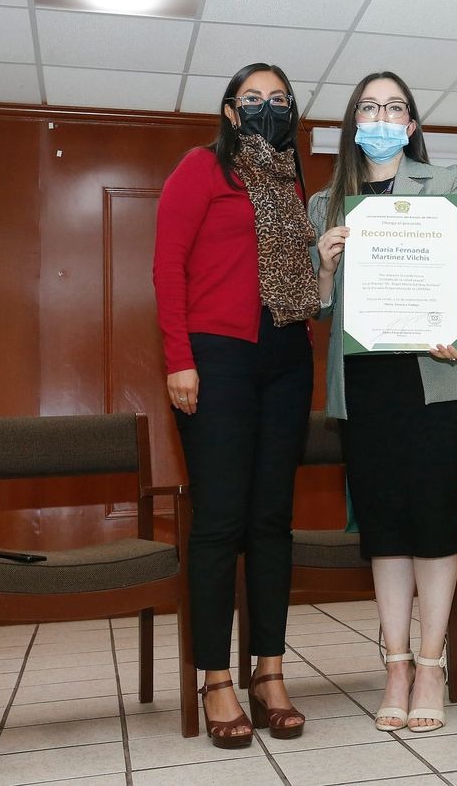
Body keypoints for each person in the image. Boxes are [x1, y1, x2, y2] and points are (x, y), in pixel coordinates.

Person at [309, 72, 457, 733]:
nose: (382, 116)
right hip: (367, 386)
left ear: (411, 124)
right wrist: (324, 266)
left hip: (433, 379)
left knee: (433, 520)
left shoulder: (445, 185)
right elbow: (317, 306)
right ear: (354, 121)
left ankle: (433, 665)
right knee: (383, 526)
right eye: (369, 107)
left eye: (395, 107)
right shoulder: (328, 202)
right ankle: (396, 664)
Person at [153, 62, 317, 749]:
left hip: (286, 356)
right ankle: (215, 675)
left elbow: (303, 269)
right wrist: (178, 358)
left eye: (278, 100)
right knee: (220, 522)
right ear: (228, 112)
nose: (266, 108)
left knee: (272, 521)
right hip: (215, 356)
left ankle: (269, 671)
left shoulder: (293, 180)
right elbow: (167, 263)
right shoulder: (202, 168)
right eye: (252, 99)